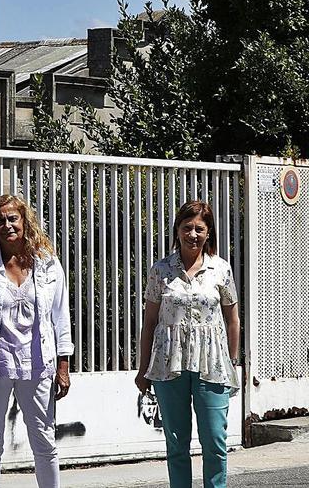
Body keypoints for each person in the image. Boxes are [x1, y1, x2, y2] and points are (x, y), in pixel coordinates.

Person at [0, 194, 72, 488]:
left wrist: (63, 364)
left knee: (45, 442)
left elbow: (60, 316)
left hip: (37, 364)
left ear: (24, 222)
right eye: (0, 221)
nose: (7, 225)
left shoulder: (48, 265)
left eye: (13, 218)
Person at [135, 200, 240, 488]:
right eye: (187, 228)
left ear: (209, 233)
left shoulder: (221, 269)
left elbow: (233, 319)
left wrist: (232, 362)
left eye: (199, 229)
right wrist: (143, 369)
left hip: (213, 366)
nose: (192, 234)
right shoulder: (160, 270)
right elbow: (150, 323)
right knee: (176, 445)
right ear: (177, 230)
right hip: (169, 366)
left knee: (215, 442)